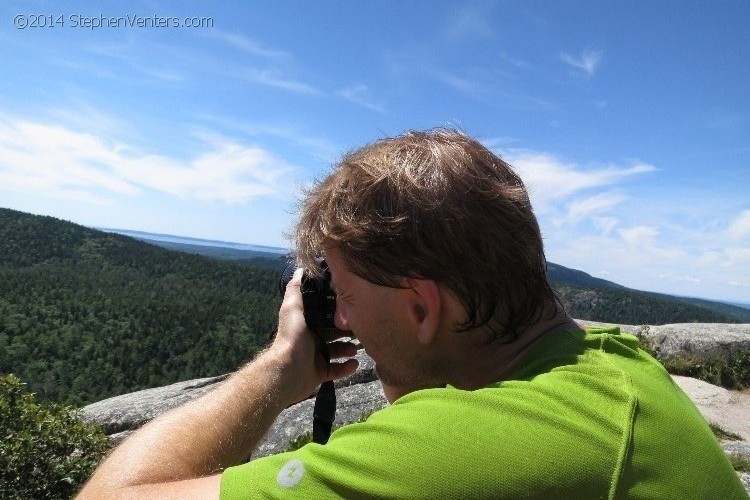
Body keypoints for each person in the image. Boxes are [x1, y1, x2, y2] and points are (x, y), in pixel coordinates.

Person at [78, 129, 746, 499]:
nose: (337, 315)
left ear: (424, 307)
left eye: (341, 292)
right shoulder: (612, 367)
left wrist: (281, 369)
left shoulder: (469, 452)